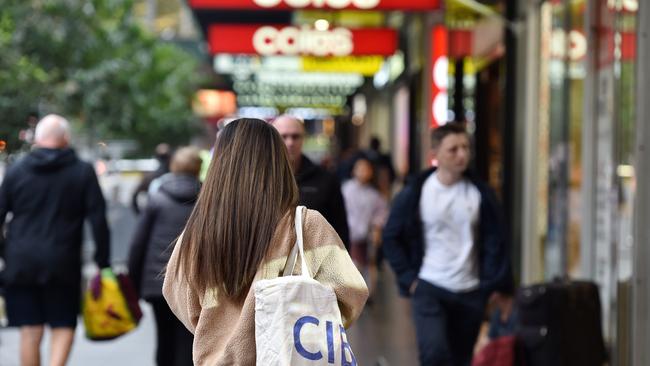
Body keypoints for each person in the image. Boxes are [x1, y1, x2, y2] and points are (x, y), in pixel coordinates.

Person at [162, 118, 368, 365]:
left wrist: (216, 325)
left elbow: (175, 291)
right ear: (278, 163)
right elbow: (352, 293)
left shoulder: (198, 232)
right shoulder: (305, 225)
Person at [382, 123, 513, 366]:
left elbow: (497, 239)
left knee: (460, 359)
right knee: (434, 354)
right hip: (429, 286)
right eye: (453, 149)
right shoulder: (417, 191)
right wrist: (409, 279)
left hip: (471, 291)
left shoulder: (480, 192)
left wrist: (494, 284)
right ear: (435, 155)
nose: (462, 154)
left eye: (465, 147)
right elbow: (391, 236)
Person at [0, 114, 110, 366]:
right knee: (62, 325)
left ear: (37, 139)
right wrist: (103, 263)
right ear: (66, 139)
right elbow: (98, 219)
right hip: (63, 261)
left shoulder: (17, 170)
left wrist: (6, 252)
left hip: (21, 262)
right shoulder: (82, 171)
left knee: (29, 331)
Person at [128, 147, 202, 366]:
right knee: (188, 338)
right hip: (194, 283)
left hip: (157, 282)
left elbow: (138, 243)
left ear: (174, 166)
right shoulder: (207, 200)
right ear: (198, 168)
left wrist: (133, 281)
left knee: (164, 338)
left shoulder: (157, 199)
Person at [271, 115, 350, 249]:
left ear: (303, 139)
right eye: (283, 136)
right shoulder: (260, 179)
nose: (290, 142)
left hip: (314, 263)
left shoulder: (325, 179)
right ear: (273, 140)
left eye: (295, 136)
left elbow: (340, 228)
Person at [341, 158, 388, 297]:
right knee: (353, 264)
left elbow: (381, 213)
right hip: (349, 234)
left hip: (366, 235)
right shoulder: (346, 190)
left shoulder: (374, 194)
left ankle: (366, 293)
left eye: (366, 169)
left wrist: (377, 228)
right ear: (354, 170)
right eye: (360, 168)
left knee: (368, 264)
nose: (363, 172)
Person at [131, 143, 171, 214]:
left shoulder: (149, 177)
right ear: (170, 157)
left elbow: (134, 195)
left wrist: (140, 213)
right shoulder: (177, 176)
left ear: (156, 157)